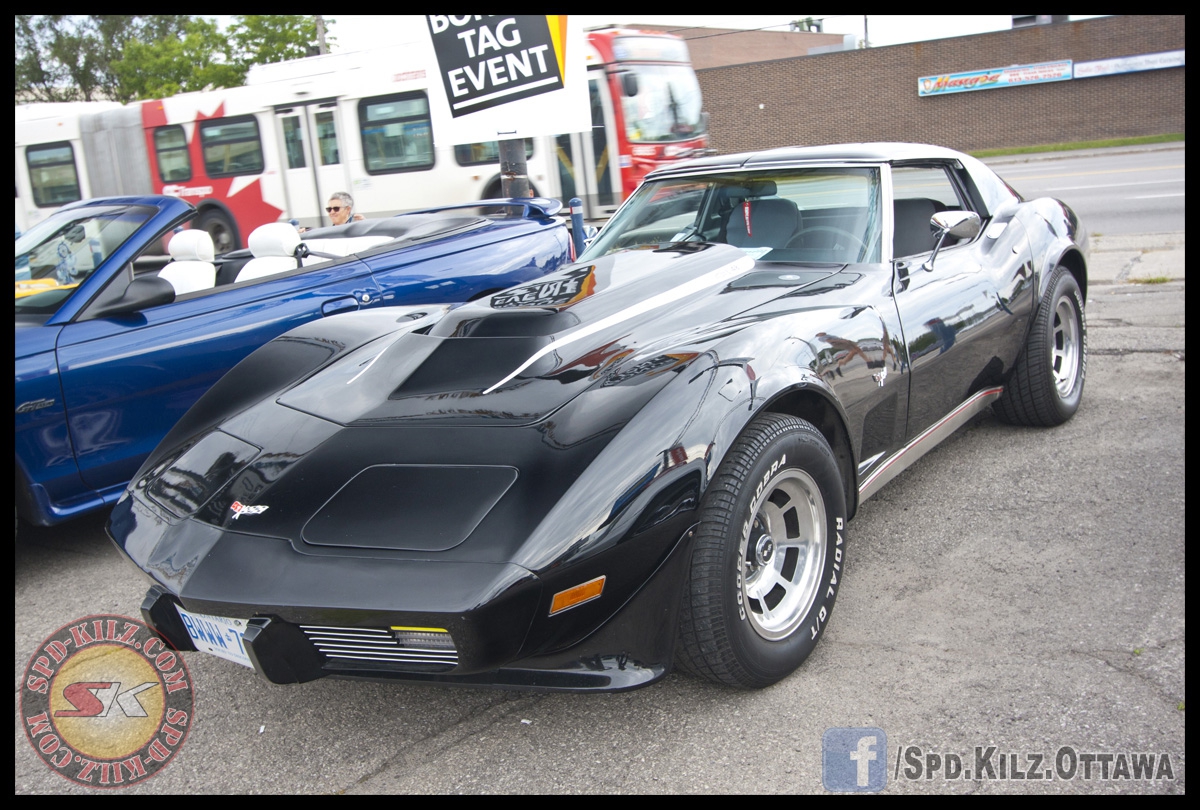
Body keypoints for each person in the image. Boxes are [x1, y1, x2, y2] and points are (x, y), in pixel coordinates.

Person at [299, 192, 364, 232]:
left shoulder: (358, 230)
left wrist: (364, 225)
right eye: (329, 209)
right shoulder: (327, 232)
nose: (332, 212)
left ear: (348, 209)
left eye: (336, 208)